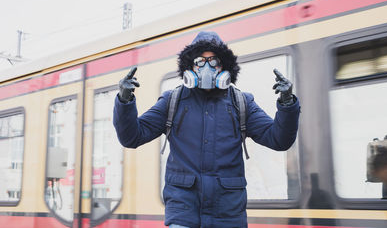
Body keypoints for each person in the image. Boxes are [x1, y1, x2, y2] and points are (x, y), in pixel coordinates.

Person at [113, 31, 301, 228]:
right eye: (200, 61)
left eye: (213, 61)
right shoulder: (173, 101)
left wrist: (287, 104)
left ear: (224, 67)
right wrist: (124, 100)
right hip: (183, 216)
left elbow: (279, 140)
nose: (206, 67)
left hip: (228, 217)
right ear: (190, 66)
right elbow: (131, 137)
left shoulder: (241, 102)